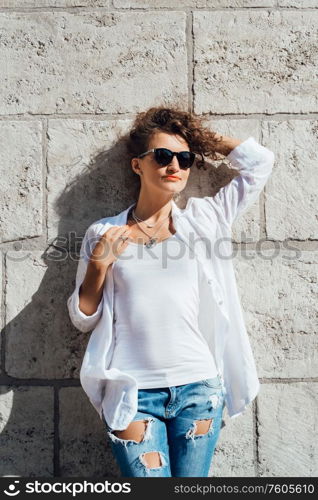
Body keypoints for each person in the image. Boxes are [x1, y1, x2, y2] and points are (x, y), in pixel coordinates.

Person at [67, 105, 275, 477]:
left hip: (199, 389)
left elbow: (259, 163)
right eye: (162, 156)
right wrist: (99, 265)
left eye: (184, 157)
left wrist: (201, 138)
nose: (174, 166)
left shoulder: (205, 219)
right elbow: (83, 318)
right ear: (138, 165)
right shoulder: (104, 233)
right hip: (133, 396)